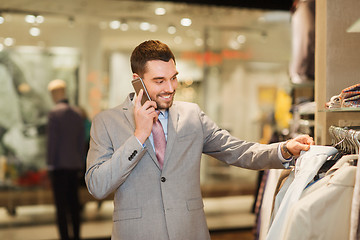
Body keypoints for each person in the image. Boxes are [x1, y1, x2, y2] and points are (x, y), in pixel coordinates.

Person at [85, 40, 314, 240]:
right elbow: (97, 185)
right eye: (159, 81)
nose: (170, 88)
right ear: (137, 81)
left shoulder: (191, 115)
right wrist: (138, 136)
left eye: (174, 78)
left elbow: (237, 150)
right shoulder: (106, 122)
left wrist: (283, 149)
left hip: (190, 232)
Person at [47, 79, 85, 240]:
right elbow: (81, 142)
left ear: (55, 94)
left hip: (59, 167)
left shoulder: (54, 114)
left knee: (61, 207)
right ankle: (76, 235)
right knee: (74, 205)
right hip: (75, 166)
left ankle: (64, 237)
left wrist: (49, 165)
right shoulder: (77, 113)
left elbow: (52, 143)